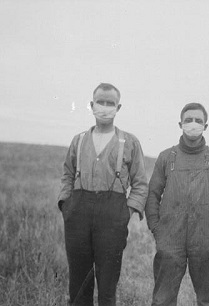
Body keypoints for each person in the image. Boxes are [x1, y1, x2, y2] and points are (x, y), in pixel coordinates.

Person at [57, 83, 148, 306]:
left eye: (110, 103)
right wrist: (65, 205)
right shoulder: (78, 140)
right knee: (78, 283)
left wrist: (126, 212)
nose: (105, 107)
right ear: (91, 105)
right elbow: (67, 174)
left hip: (113, 214)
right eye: (101, 102)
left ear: (118, 107)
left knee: (107, 283)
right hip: (78, 211)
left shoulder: (129, 142)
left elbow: (140, 183)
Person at [145, 103, 209, 306]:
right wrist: (156, 229)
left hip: (205, 239)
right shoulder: (167, 157)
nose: (193, 124)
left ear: (206, 125)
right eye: (188, 120)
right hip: (170, 239)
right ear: (180, 124)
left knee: (208, 299)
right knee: (163, 300)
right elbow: (153, 195)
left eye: (198, 120)